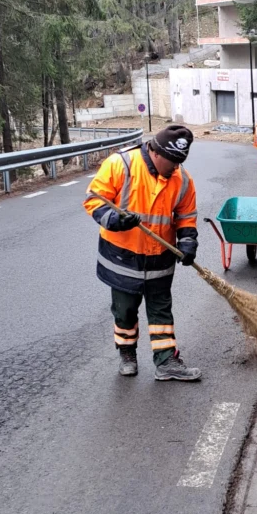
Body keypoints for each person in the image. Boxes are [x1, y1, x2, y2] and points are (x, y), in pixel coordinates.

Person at [83, 125, 201, 381]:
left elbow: (186, 216)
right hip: (123, 256)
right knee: (124, 309)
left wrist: (188, 240)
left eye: (180, 163)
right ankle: (127, 353)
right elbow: (94, 199)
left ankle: (166, 360)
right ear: (156, 152)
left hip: (160, 256)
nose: (175, 168)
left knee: (161, 310)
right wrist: (113, 220)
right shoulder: (121, 164)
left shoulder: (182, 179)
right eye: (172, 162)